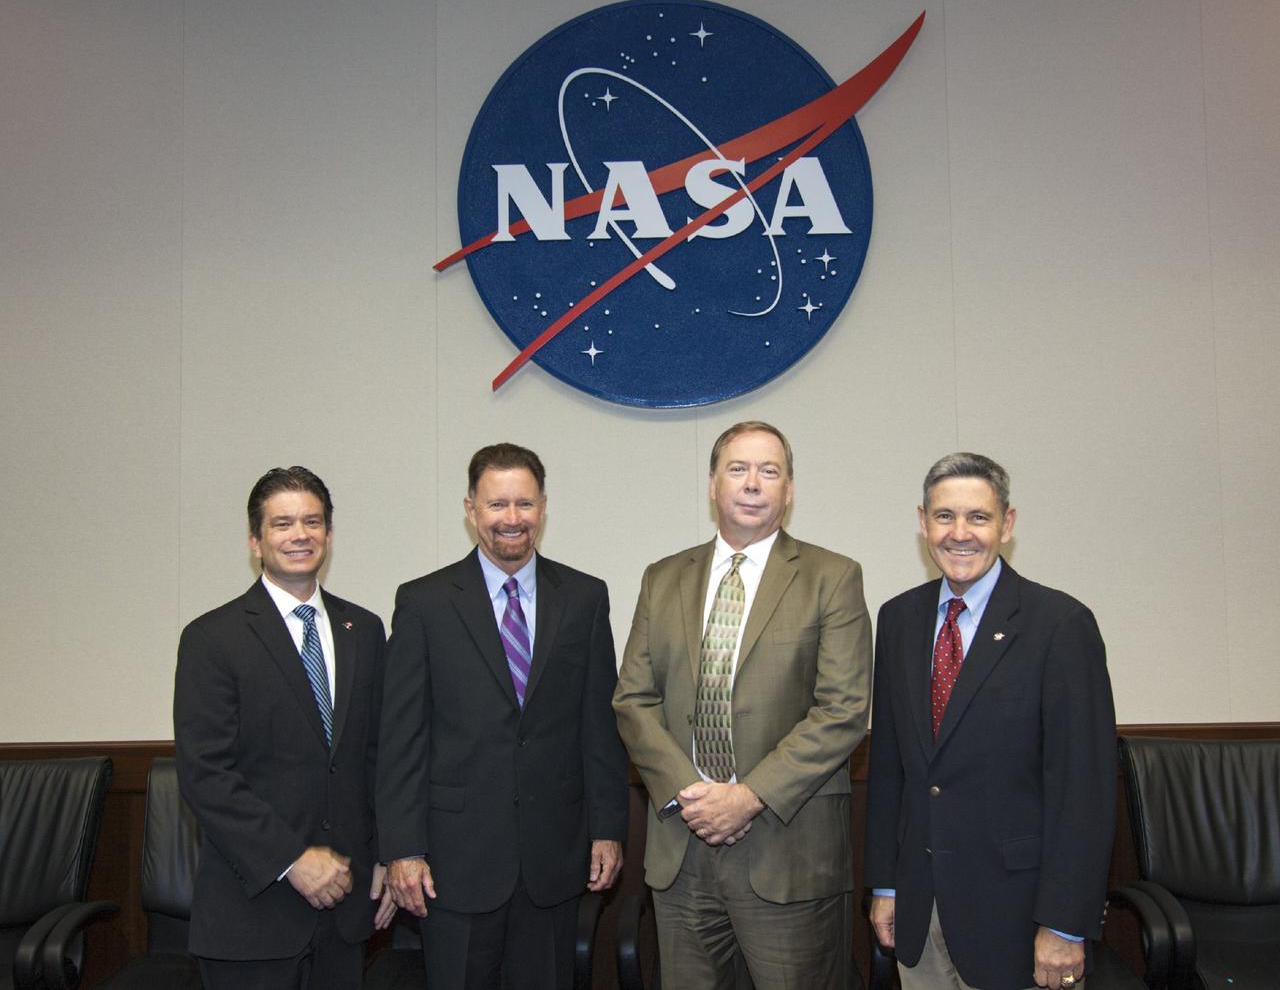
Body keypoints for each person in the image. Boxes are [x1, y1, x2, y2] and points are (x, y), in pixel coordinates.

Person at [613, 420, 873, 988]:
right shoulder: (662, 579)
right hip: (683, 850)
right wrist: (694, 796)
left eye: (769, 471)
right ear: (712, 485)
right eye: (738, 469)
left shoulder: (832, 577)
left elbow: (844, 709)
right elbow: (633, 699)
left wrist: (748, 797)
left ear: (789, 489)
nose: (753, 483)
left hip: (789, 852)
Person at [376, 443, 629, 990]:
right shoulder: (424, 603)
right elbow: (401, 739)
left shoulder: (585, 597)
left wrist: (607, 829)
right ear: (471, 510)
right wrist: (402, 849)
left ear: (543, 508)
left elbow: (598, 726)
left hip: (554, 861)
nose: (511, 519)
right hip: (454, 865)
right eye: (496, 505)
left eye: (524, 504)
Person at [865, 452, 1117, 990]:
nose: (960, 533)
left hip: (1019, 921)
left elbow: (1084, 790)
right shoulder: (898, 619)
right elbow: (890, 768)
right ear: (922, 522)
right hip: (921, 911)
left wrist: (1065, 924)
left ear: (1007, 523)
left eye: (978, 517)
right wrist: (885, 885)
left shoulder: (1060, 625)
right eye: (944, 516)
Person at [174, 466, 394, 990]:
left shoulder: (363, 629)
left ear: (329, 535)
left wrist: (389, 851)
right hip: (251, 916)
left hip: (345, 914)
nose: (300, 535)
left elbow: (378, 755)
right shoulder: (212, 638)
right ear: (256, 541)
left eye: (312, 521)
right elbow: (206, 774)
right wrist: (291, 859)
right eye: (282, 524)